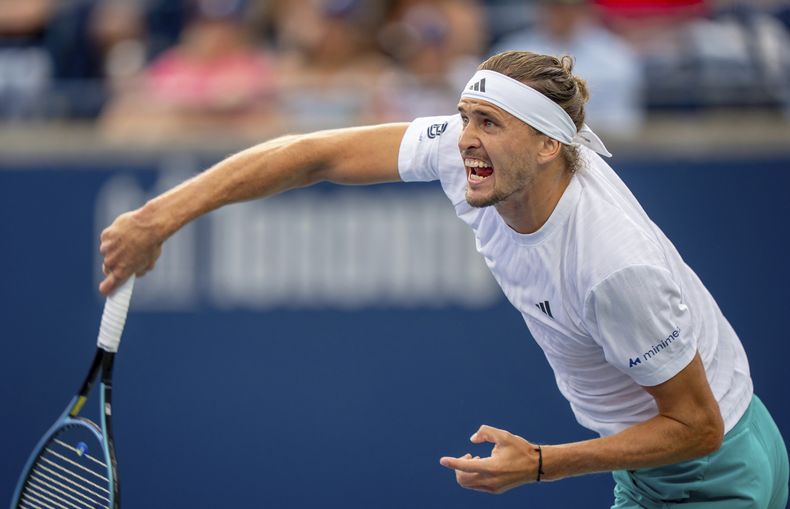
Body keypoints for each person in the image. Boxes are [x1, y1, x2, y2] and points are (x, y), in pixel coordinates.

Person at [98, 50, 789, 507]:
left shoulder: (613, 265)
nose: (463, 138)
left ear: (549, 145)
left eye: (487, 122)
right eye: (463, 118)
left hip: (712, 475)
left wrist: (543, 462)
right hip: (675, 462)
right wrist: (161, 216)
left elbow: (696, 426)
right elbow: (311, 154)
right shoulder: (470, 158)